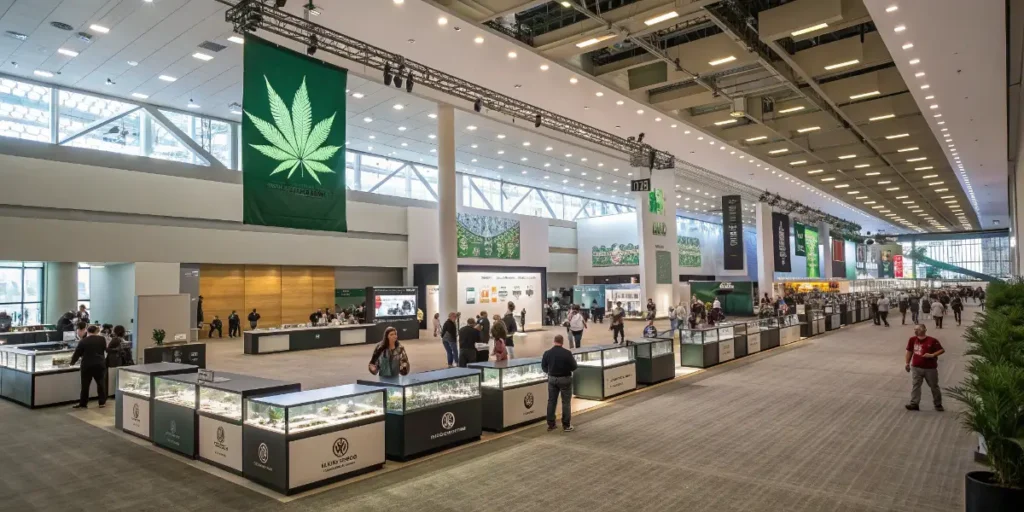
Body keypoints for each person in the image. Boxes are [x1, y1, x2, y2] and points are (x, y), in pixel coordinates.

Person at [541, 334, 577, 432]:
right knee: (565, 402)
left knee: (551, 401)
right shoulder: (567, 353)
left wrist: (549, 372)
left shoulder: (547, 353)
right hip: (565, 379)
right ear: (562, 342)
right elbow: (574, 366)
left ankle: (551, 424)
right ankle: (566, 425)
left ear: (554, 341)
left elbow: (543, 367)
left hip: (552, 379)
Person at [905, 324, 945, 411]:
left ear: (924, 330)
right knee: (916, 385)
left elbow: (941, 350)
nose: (916, 331)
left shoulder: (932, 340)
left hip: (930, 368)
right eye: (915, 329)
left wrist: (932, 355)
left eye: (918, 329)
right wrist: (907, 363)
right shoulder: (912, 340)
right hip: (916, 367)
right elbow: (909, 351)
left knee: (934, 386)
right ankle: (914, 403)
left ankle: (938, 404)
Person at [71, 325, 107, 409]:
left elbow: (77, 353)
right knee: (101, 383)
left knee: (85, 385)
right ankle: (102, 402)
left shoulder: (83, 341)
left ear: (87, 331)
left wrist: (72, 362)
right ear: (96, 331)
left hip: (87, 365)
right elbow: (104, 349)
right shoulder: (102, 339)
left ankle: (83, 403)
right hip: (100, 364)